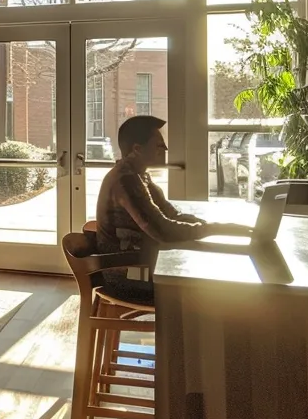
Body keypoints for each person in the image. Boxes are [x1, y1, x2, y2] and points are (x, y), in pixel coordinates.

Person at [96, 116, 251, 293]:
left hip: (140, 262)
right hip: (126, 273)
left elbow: (169, 213)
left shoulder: (139, 175)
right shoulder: (126, 180)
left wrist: (211, 226)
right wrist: (215, 229)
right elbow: (162, 231)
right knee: (209, 288)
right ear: (137, 149)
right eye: (158, 145)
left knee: (208, 273)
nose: (165, 149)